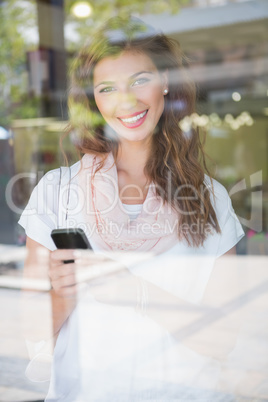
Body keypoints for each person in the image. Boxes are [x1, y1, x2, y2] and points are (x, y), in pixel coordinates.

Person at [19, 16, 244, 401]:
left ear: (166, 81)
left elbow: (223, 341)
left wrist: (133, 289)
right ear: (94, 100)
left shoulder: (210, 198)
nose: (126, 101)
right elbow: (29, 333)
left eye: (140, 80)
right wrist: (61, 292)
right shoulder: (57, 192)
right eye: (107, 88)